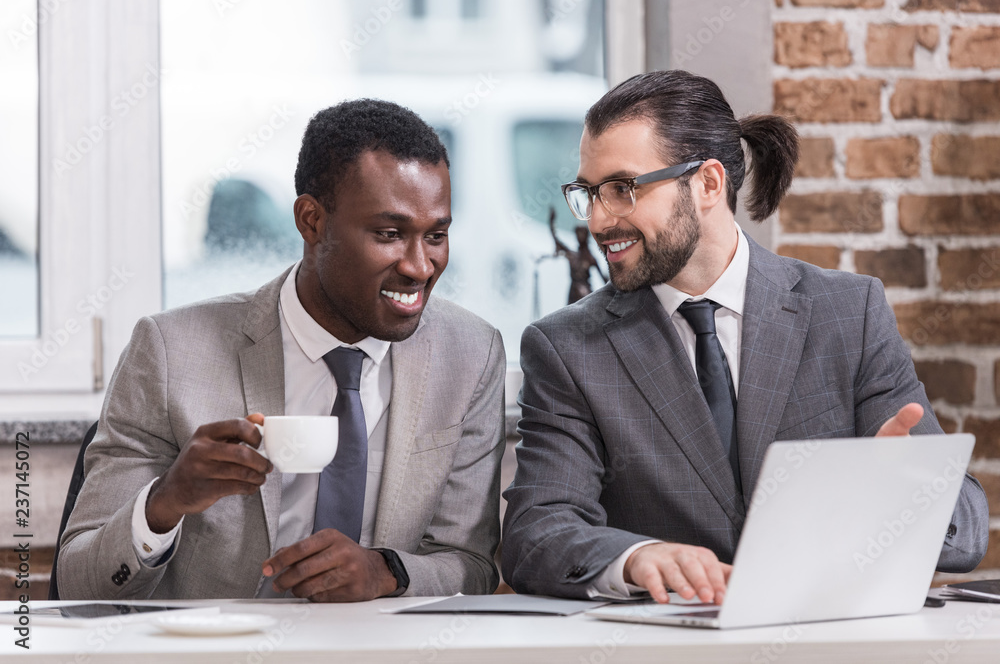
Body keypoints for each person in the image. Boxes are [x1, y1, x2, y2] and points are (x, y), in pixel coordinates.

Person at [501, 70, 989, 604]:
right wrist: (634, 557)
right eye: (588, 193)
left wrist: (906, 491)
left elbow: (965, 534)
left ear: (708, 183)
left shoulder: (849, 313)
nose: (597, 220)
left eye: (622, 189)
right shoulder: (567, 347)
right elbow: (536, 534)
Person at [58, 99, 506, 601]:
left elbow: (471, 565)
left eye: (437, 236)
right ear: (312, 221)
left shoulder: (472, 355)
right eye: (390, 234)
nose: (421, 266)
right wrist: (165, 502)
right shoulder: (169, 352)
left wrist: (386, 573)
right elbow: (79, 583)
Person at [549, 207, 607, 304]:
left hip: (585, 295)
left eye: (581, 233)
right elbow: (556, 239)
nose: (579, 236)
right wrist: (552, 222)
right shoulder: (572, 255)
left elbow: (604, 280)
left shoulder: (590, 258)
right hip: (573, 294)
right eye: (577, 233)